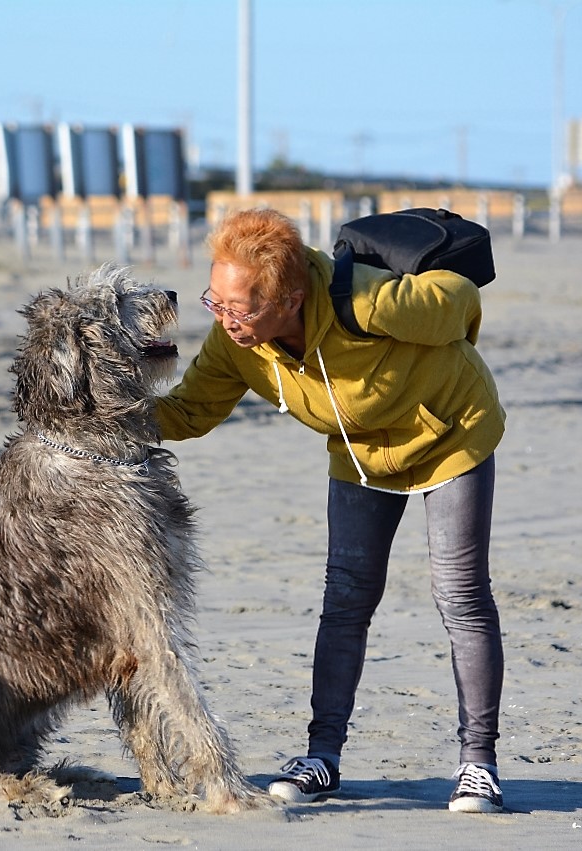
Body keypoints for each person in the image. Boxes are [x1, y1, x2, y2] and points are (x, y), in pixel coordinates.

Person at [154, 208, 507, 813]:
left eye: (241, 308)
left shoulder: (368, 303)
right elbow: (189, 412)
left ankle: (478, 765)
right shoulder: (237, 345)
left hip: (451, 432)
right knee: (345, 597)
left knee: (459, 593)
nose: (226, 319)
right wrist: (98, 420)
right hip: (361, 451)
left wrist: (421, 385)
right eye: (216, 300)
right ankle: (323, 756)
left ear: (292, 298)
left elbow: (460, 302)